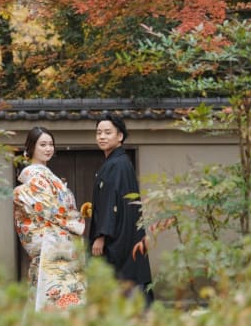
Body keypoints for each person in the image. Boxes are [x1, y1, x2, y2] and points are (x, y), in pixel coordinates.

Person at [13, 126, 86, 311]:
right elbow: (54, 210)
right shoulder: (35, 176)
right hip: (51, 242)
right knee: (55, 292)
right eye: (43, 144)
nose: (48, 149)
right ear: (31, 148)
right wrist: (76, 219)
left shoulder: (46, 175)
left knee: (54, 292)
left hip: (56, 241)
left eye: (51, 144)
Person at [89, 114, 154, 306]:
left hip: (116, 235)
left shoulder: (118, 164)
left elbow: (112, 203)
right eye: (99, 132)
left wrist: (101, 235)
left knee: (120, 276)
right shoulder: (116, 163)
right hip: (123, 231)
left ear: (120, 136)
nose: (102, 136)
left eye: (108, 132)